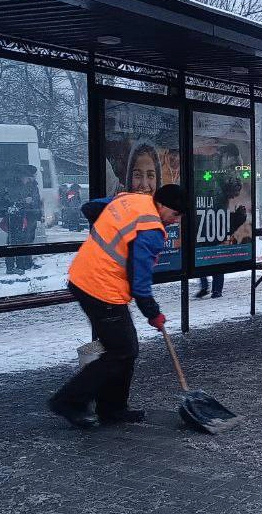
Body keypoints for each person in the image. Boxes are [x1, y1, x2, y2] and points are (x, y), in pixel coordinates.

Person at [48, 184, 184, 429]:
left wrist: (111, 232)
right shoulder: (151, 229)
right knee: (121, 351)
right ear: (162, 205)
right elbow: (140, 282)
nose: (175, 221)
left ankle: (113, 407)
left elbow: (90, 207)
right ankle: (68, 401)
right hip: (100, 288)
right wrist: (153, 313)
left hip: (85, 278)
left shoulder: (131, 200)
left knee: (126, 348)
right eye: (175, 215)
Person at [0, 163, 43, 274]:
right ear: (23, 176)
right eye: (29, 177)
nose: (31, 179)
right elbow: (13, 203)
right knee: (14, 242)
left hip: (28, 217)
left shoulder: (31, 186)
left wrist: (39, 214)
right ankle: (11, 267)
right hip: (16, 218)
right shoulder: (12, 186)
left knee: (26, 242)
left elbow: (37, 201)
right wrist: (25, 202)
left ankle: (24, 264)